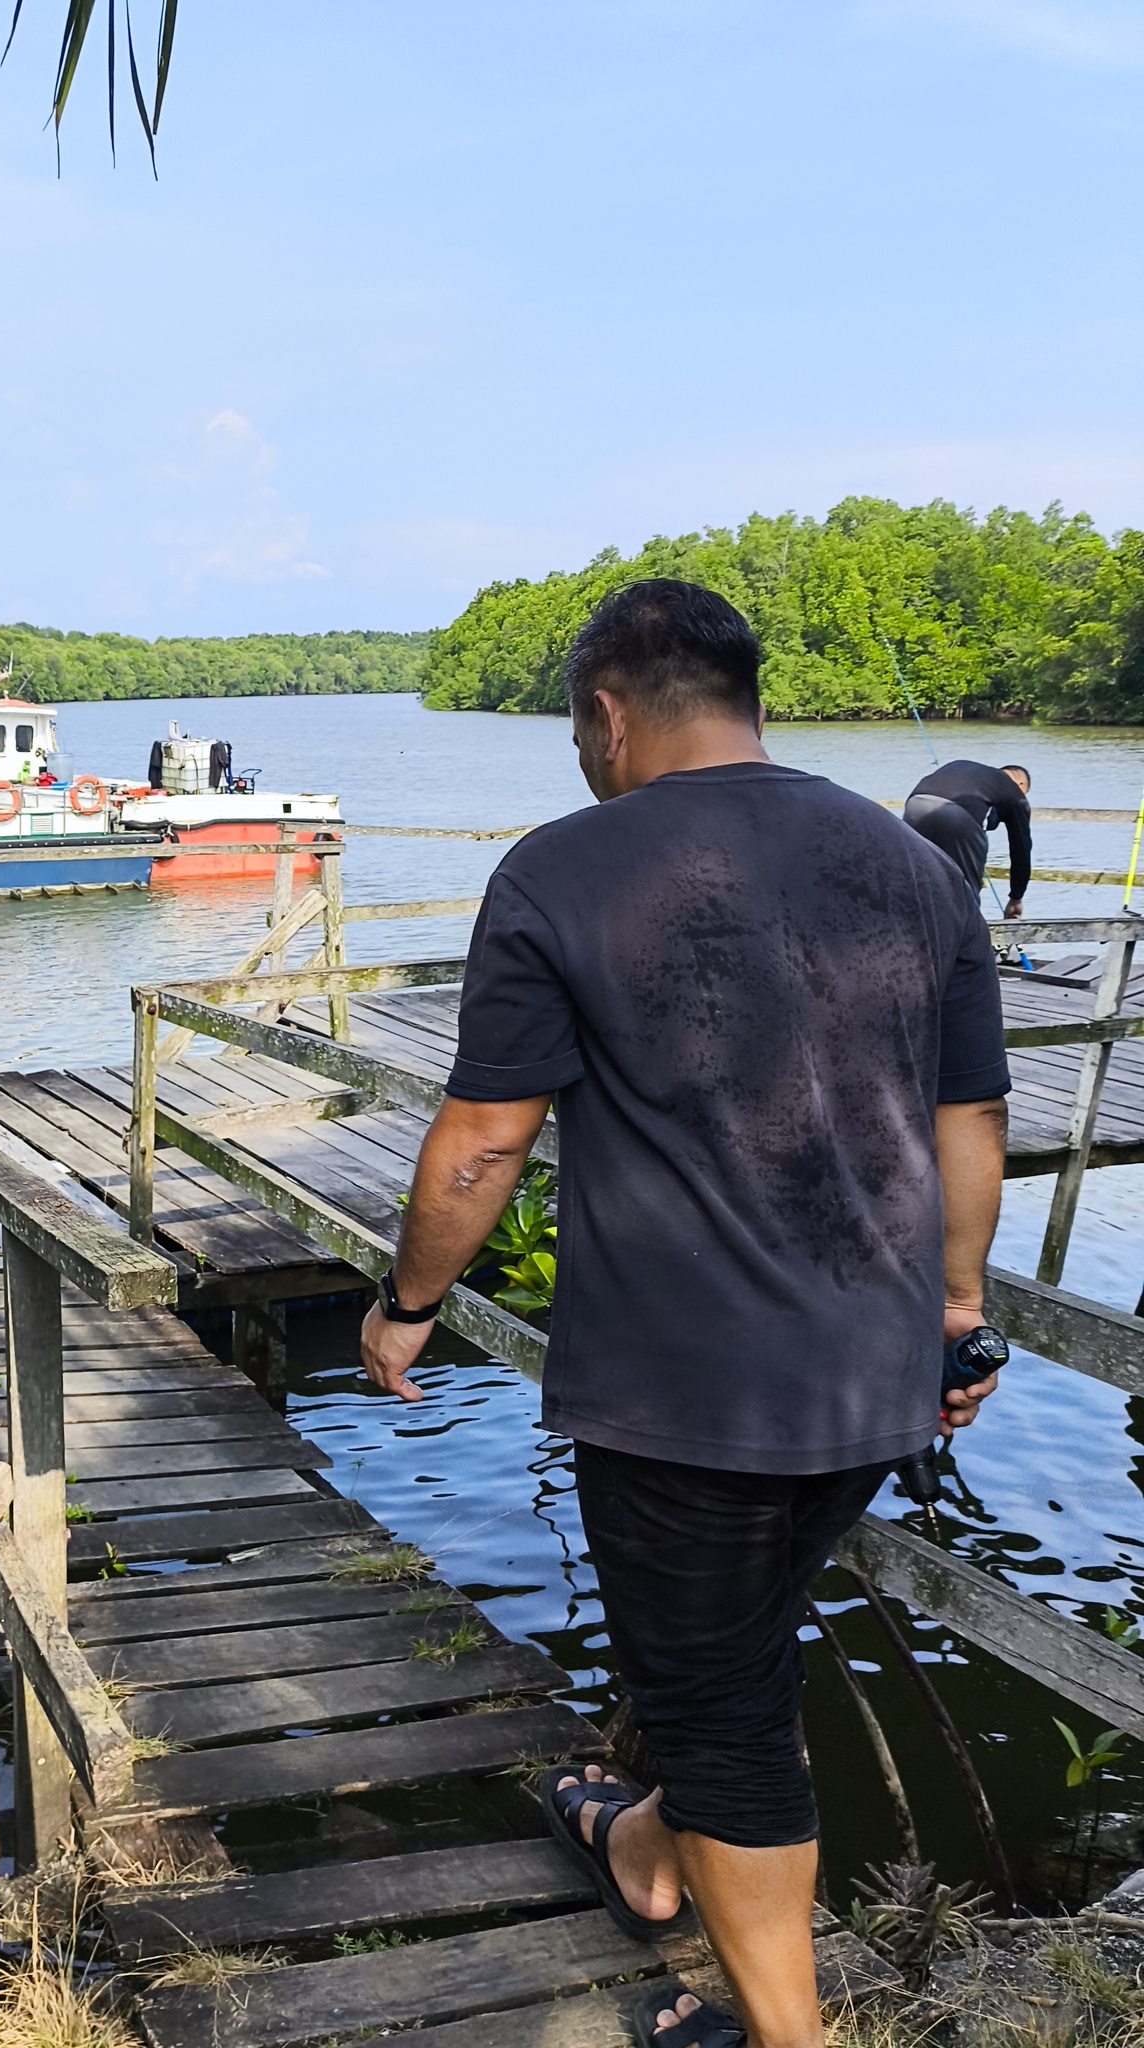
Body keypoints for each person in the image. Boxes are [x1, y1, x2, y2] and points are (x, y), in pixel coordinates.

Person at [360, 580, 1010, 2048]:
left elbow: (479, 1142)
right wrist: (957, 1318)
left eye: (574, 731)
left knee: (723, 1723)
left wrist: (406, 1303)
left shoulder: (560, 870)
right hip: (870, 1380)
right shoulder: (916, 868)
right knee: (732, 1648)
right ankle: (650, 1856)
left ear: (607, 712)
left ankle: (786, 2033)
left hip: (684, 1399)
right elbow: (974, 1117)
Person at [903, 760, 1032, 915]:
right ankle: (968, 935)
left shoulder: (970, 770)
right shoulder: (1013, 790)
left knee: (918, 880)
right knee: (965, 892)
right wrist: (1016, 897)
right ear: (1020, 784)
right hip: (956, 816)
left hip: (914, 806)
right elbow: (1021, 848)